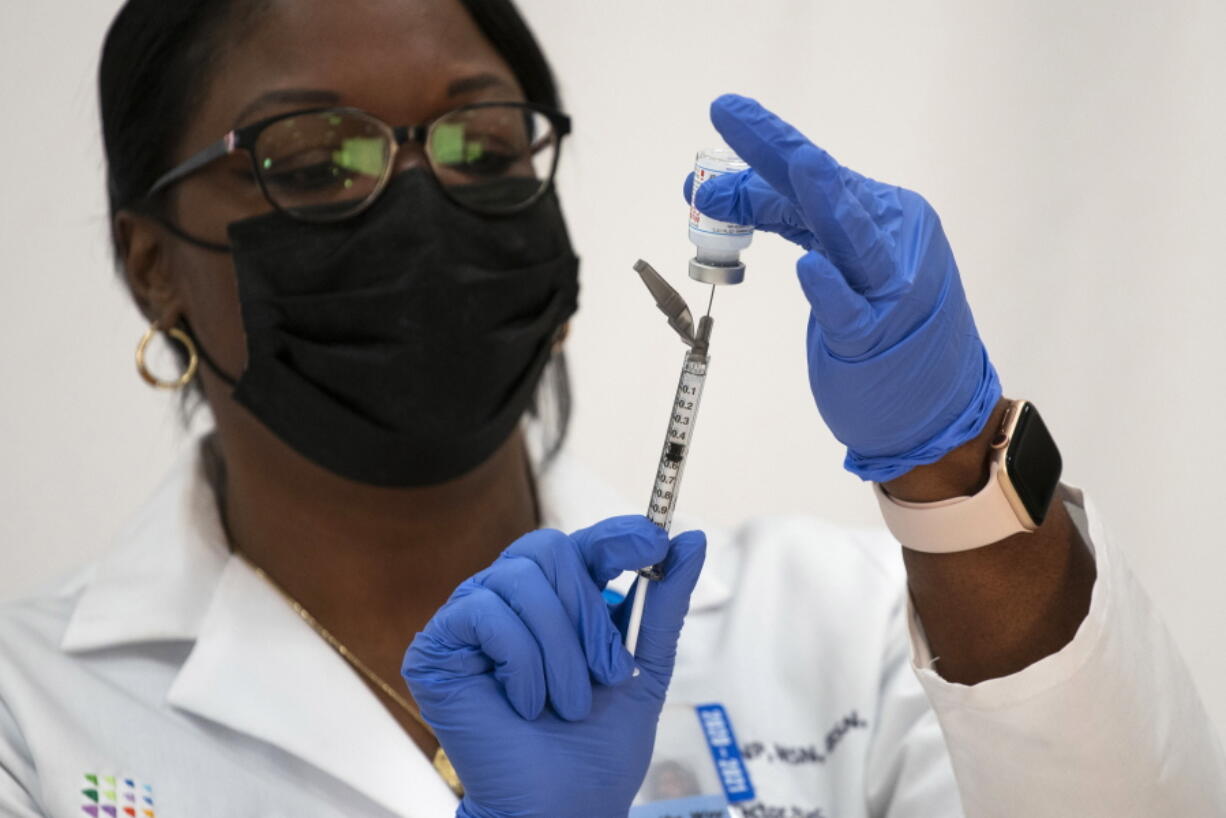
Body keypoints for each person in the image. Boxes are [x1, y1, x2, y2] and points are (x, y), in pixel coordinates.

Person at [0, 0, 1222, 816]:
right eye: (315, 161)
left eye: (484, 147)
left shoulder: (832, 627)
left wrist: (954, 465)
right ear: (151, 259)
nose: (421, 202)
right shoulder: (34, 718)